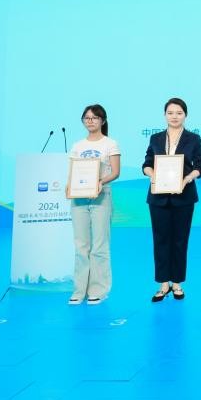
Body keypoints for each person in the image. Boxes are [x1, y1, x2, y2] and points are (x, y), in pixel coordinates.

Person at [142, 97, 201, 303]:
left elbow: (200, 166)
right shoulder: (156, 138)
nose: (174, 116)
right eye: (170, 113)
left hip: (184, 196)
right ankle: (163, 283)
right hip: (158, 197)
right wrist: (153, 175)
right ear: (164, 115)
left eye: (179, 113)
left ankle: (177, 283)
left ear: (185, 115)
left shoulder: (193, 139)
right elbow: (147, 163)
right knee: (160, 240)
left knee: (180, 240)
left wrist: (187, 178)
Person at [67, 104, 121, 305]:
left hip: (101, 197)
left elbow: (115, 172)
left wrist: (100, 182)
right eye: (87, 118)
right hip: (79, 199)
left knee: (99, 245)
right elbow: (73, 172)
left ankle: (98, 290)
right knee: (81, 245)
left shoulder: (110, 144)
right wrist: (69, 186)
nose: (90, 121)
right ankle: (79, 290)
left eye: (94, 118)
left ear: (102, 121)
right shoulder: (77, 146)